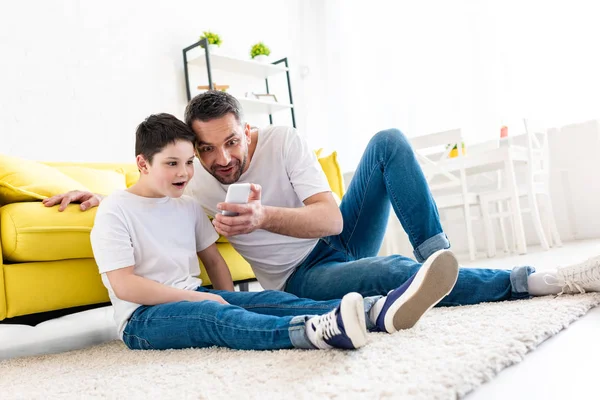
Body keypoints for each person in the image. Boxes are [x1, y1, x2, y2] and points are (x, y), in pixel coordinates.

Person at [46, 91, 600, 314]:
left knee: (387, 142)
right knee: (390, 270)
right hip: (297, 279)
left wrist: (263, 216)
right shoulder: (194, 177)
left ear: (248, 128)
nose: (220, 160)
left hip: (335, 237)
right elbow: (148, 192)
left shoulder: (283, 141)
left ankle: (440, 260)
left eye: (231, 142)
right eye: (206, 149)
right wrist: (99, 194)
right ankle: (531, 280)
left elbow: (333, 218)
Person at [88, 113, 460, 351]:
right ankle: (315, 333)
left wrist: (226, 296)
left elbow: (214, 260)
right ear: (143, 163)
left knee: (270, 304)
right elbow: (125, 283)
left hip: (210, 289)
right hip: (144, 317)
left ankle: (377, 308)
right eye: (174, 163)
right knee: (219, 318)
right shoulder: (122, 207)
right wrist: (208, 301)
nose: (186, 172)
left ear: (246, 132)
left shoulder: (186, 203)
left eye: (188, 163)